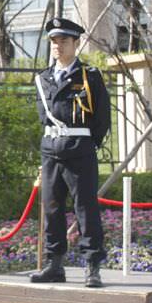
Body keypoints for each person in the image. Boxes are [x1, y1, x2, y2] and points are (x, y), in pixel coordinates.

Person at [30, 18, 111, 288]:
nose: (58, 46)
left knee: (85, 209)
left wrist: (87, 143)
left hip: (79, 151)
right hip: (51, 151)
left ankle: (92, 266)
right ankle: (54, 265)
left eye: (63, 40)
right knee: (52, 209)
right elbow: (43, 117)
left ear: (76, 43)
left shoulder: (89, 76)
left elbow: (102, 117)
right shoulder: (43, 78)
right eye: (54, 41)